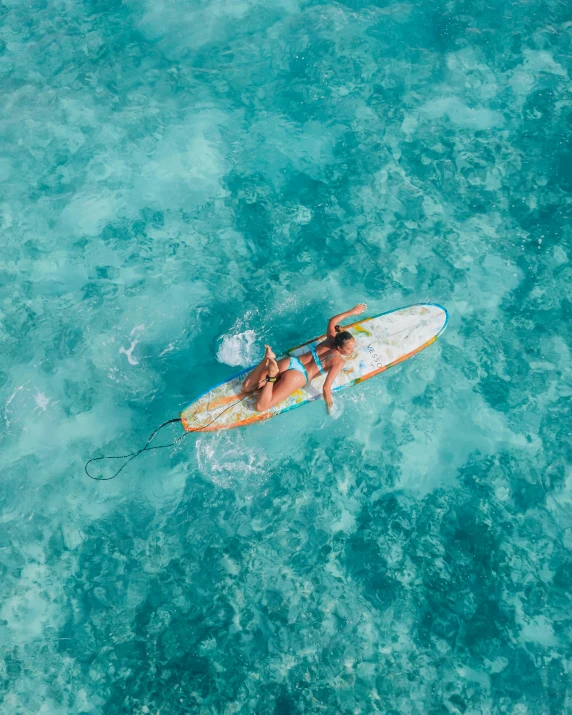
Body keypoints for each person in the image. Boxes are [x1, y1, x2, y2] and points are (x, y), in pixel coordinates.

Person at [243, 304, 367, 413]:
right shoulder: (338, 362)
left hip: (291, 361)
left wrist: (352, 312)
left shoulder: (330, 339)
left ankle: (267, 360)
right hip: (298, 376)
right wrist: (330, 407)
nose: (352, 351)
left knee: (247, 386)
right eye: (350, 349)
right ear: (339, 349)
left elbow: (332, 321)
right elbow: (326, 388)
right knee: (260, 406)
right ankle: (271, 377)